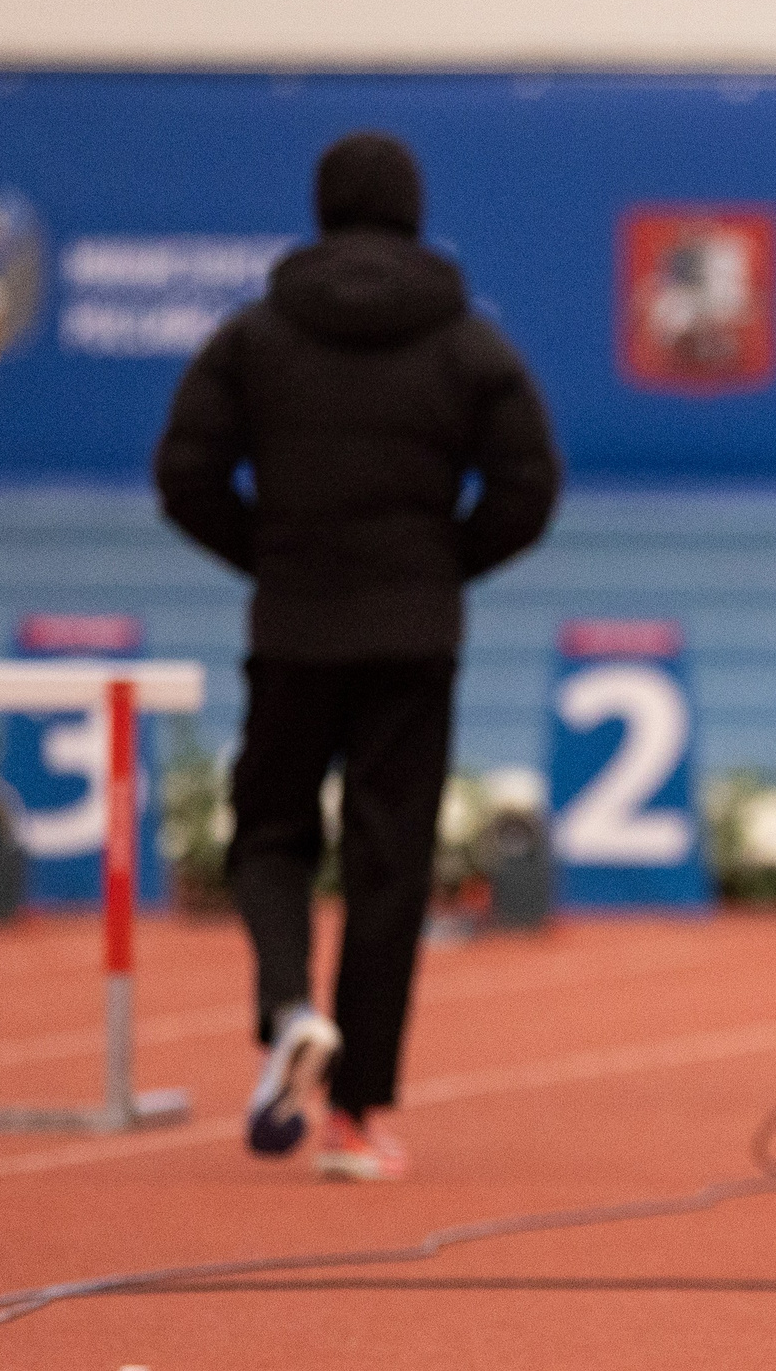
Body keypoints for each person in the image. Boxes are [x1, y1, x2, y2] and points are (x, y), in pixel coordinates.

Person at [155, 131, 560, 1181]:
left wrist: (272, 556)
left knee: (270, 837)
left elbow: (184, 473)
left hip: (293, 625)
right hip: (413, 636)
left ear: (323, 209)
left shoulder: (252, 338)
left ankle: (291, 1005)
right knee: (390, 867)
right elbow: (530, 484)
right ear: (415, 210)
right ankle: (356, 1119)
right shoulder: (469, 344)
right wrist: (441, 567)